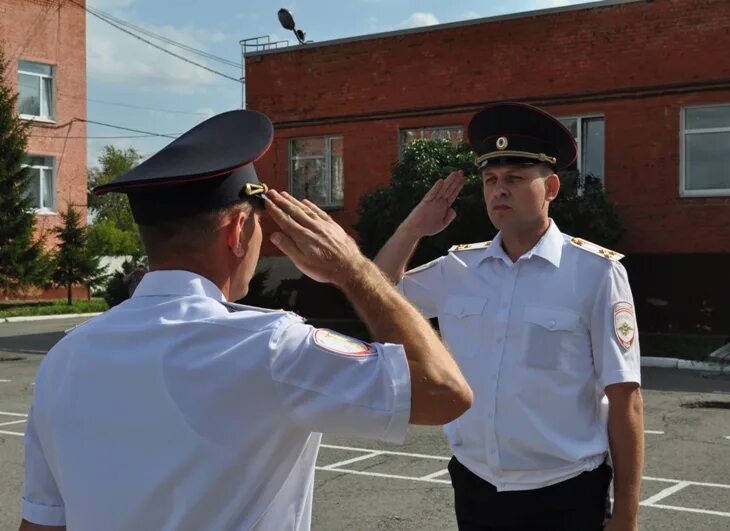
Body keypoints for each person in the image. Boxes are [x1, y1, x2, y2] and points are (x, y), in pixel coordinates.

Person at [19, 110, 472, 531]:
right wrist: (353, 270)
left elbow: (41, 522)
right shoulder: (271, 348)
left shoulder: (66, 357)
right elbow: (445, 392)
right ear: (237, 234)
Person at [375, 102, 644, 530]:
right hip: (476, 487)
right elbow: (376, 294)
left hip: (565, 494)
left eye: (515, 178)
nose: (499, 189)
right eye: (491, 179)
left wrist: (627, 513)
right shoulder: (458, 270)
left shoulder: (595, 274)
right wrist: (412, 229)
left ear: (551, 187)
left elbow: (626, 398)